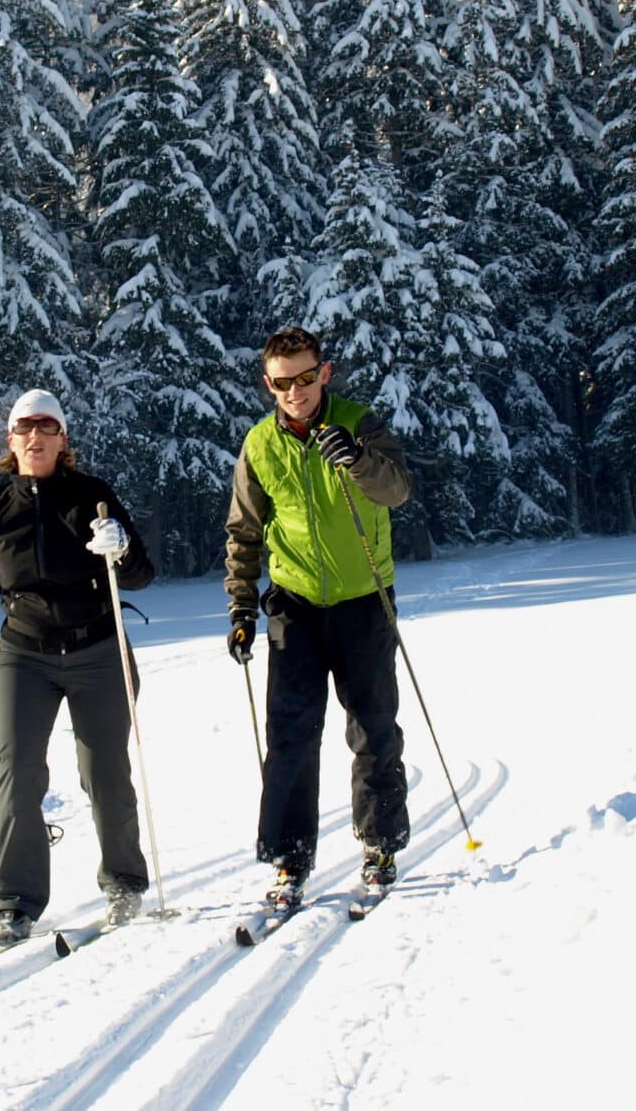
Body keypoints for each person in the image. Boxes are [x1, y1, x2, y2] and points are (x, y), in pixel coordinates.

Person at [222, 327, 414, 906]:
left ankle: (380, 846)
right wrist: (240, 604)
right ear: (268, 384)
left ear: (323, 373)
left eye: (305, 378)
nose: (295, 391)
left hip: (363, 599)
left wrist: (356, 460)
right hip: (295, 603)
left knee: (373, 726)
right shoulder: (259, 444)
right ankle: (289, 858)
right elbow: (244, 531)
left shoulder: (359, 423)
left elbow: (398, 489)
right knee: (290, 736)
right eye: (283, 382)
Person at [0, 388, 155, 947]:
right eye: (26, 428)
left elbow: (141, 573)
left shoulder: (92, 496)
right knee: (17, 772)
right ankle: (16, 905)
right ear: (12, 440)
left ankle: (123, 883)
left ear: (63, 439)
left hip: (97, 648)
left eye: (47, 428)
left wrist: (117, 548)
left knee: (105, 770)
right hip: (24, 653)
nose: (36, 437)